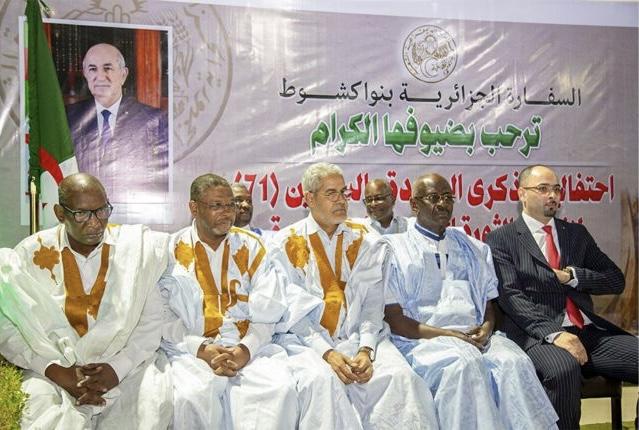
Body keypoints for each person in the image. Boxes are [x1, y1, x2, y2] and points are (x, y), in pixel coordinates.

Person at [383, 172, 558, 429]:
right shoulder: (393, 249)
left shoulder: (472, 247)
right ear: (414, 205)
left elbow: (488, 304)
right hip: (422, 341)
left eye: (447, 197)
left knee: (513, 362)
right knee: (464, 364)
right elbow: (396, 320)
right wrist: (450, 335)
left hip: (475, 337)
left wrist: (487, 328)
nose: (443, 204)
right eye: (434, 197)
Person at [271, 162, 438, 429]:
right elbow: (293, 312)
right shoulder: (284, 243)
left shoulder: (365, 239)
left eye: (344, 192)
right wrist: (327, 353)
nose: (341, 200)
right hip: (307, 343)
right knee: (322, 383)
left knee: (401, 378)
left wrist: (366, 350)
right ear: (309, 198)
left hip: (360, 338)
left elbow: (373, 304)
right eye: (331, 193)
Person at [0, 173, 172, 429]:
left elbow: (151, 323)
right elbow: (9, 325)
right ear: (60, 213)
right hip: (52, 367)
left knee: (150, 406)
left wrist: (116, 369)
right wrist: (55, 371)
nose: (95, 223)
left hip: (123, 365)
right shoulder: (29, 253)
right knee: (38, 410)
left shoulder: (136, 250)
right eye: (82, 214)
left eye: (102, 211)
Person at [486, 164, 638, 429]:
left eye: (556, 189)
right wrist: (555, 334)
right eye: (543, 189)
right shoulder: (502, 239)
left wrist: (572, 276)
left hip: (588, 333)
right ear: (521, 194)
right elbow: (511, 297)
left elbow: (615, 280)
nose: (552, 195)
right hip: (539, 336)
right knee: (564, 370)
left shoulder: (576, 234)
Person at [159, 174, 298, 429]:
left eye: (230, 205)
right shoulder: (170, 250)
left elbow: (270, 310)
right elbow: (161, 313)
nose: (227, 213)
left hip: (248, 348)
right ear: (193, 208)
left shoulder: (252, 247)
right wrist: (201, 348)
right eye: (216, 206)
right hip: (190, 350)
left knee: (279, 390)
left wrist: (245, 350)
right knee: (188, 398)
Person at [66, 43, 168, 204]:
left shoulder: (153, 120)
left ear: (123, 74)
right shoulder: (68, 118)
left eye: (107, 68)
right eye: (93, 69)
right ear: (85, 74)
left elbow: (162, 182)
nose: (100, 76)